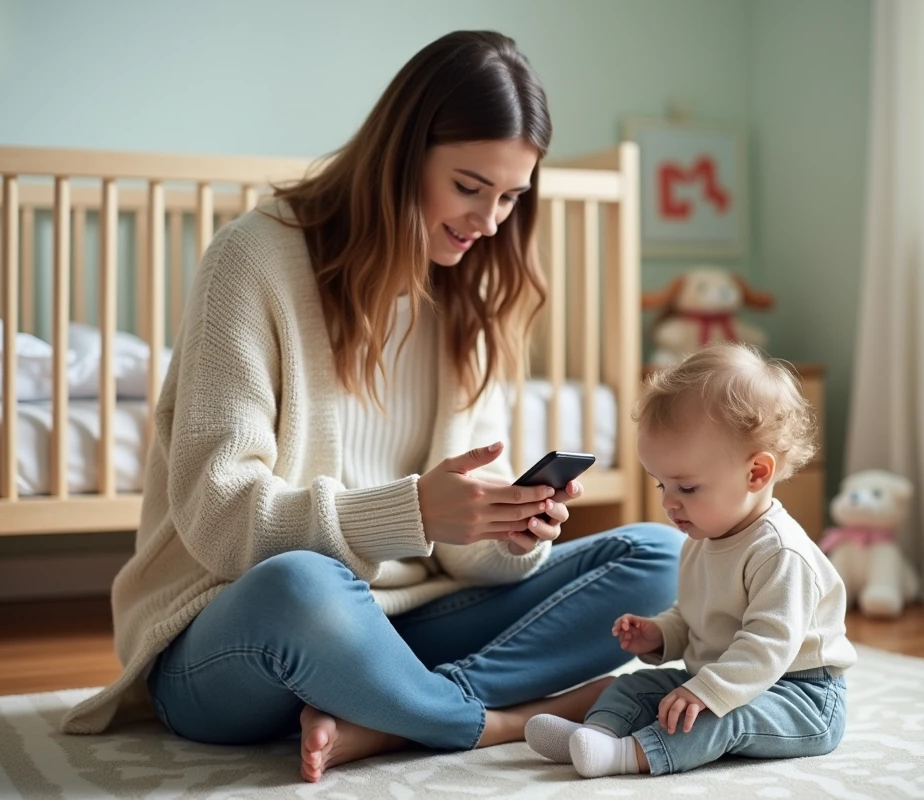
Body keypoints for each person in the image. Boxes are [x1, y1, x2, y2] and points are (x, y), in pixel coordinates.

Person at [59, 30, 681, 783]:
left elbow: (462, 558)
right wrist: (414, 511)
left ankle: (388, 714)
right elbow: (222, 521)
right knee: (304, 585)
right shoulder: (251, 260)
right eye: (469, 186)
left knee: (661, 559)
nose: (489, 222)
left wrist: (508, 532)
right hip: (238, 636)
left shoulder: (468, 299)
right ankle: (487, 721)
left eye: (511, 197)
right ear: (402, 155)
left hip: (404, 627)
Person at [524, 342, 856, 777]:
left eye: (688, 488)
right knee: (637, 687)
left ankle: (626, 757)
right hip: (722, 678)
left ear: (756, 473)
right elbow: (696, 614)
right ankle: (597, 734)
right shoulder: (703, 536)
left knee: (718, 717)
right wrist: (662, 634)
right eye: (661, 485)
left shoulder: (780, 552)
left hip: (798, 697)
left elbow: (768, 646)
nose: (670, 504)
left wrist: (708, 691)